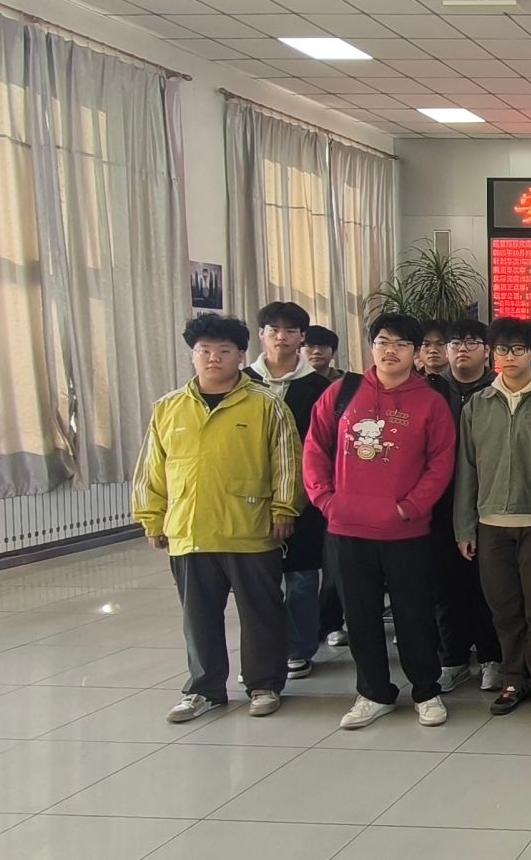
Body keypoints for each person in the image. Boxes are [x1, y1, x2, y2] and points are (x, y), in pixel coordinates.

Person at [135, 313, 300, 723]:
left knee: (260, 613)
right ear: (192, 356)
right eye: (204, 351)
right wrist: (152, 518)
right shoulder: (168, 408)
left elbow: (287, 463)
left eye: (224, 351)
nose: (213, 358)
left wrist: (284, 509)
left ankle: (264, 684)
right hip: (190, 529)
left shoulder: (266, 405)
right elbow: (151, 470)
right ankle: (203, 689)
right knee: (198, 617)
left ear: (241, 356)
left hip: (250, 528)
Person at [304, 314, 457, 729]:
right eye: (383, 342)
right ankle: (373, 692)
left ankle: (426, 690)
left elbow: (441, 463)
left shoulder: (430, 402)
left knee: (414, 614)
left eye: (401, 344)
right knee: (360, 616)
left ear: (415, 352)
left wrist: (410, 507)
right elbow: (315, 448)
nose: (391, 351)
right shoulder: (342, 392)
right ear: (371, 346)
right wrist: (325, 500)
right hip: (347, 527)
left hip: (406, 530)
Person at [455, 318, 531, 718]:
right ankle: (512, 679)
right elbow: (467, 469)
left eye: (518, 349)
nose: (510, 357)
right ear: (493, 353)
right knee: (504, 609)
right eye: (502, 349)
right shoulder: (478, 404)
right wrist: (464, 526)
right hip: (491, 524)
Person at [243, 302, 333, 682]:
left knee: (301, 577)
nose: (281, 336)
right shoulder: (242, 382)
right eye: (273, 329)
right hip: (250, 495)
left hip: (305, 496)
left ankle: (299, 648)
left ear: (301, 337)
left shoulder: (320, 388)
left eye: (290, 330)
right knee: (256, 581)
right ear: (261, 334)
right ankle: (263, 652)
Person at [428, 319, 502, 695]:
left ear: (486, 351)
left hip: (488, 499)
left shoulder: (499, 390)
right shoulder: (430, 389)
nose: (461, 349)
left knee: (487, 586)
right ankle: (452, 659)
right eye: (455, 342)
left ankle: (491, 658)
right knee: (446, 586)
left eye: (472, 342)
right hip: (439, 502)